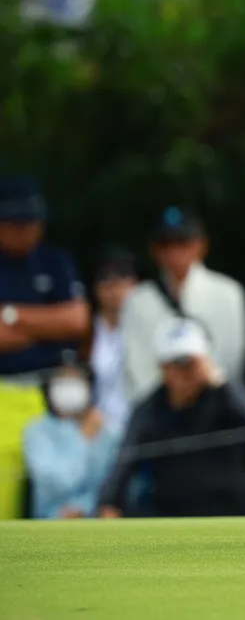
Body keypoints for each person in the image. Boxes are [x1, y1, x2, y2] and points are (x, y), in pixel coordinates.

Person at [99, 319, 245, 518]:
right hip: (173, 507)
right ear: (164, 368)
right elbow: (125, 462)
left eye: (192, 363)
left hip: (230, 503)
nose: (187, 372)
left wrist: (221, 384)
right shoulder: (150, 410)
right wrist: (110, 502)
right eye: (178, 364)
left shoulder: (224, 397)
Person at [121, 208, 245, 407]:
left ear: (202, 245)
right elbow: (138, 368)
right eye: (165, 244)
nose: (175, 252)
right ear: (154, 250)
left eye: (183, 242)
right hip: (160, 411)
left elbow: (231, 362)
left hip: (215, 406)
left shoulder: (228, 294)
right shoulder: (137, 301)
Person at [0, 174, 89, 384]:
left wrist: (11, 315)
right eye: (20, 225)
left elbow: (77, 320)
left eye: (34, 222)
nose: (29, 231)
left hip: (56, 380)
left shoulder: (55, 260)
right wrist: (48, 331)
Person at [22, 359, 122, 518]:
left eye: (75, 380)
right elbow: (56, 484)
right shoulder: (37, 431)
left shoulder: (107, 429)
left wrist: (87, 508)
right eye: (62, 380)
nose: (69, 388)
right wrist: (82, 439)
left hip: (97, 520)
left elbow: (112, 483)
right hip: (50, 521)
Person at [87, 246, 139, 430]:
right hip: (93, 428)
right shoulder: (84, 332)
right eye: (106, 279)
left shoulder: (148, 327)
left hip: (140, 425)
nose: (115, 287)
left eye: (123, 278)